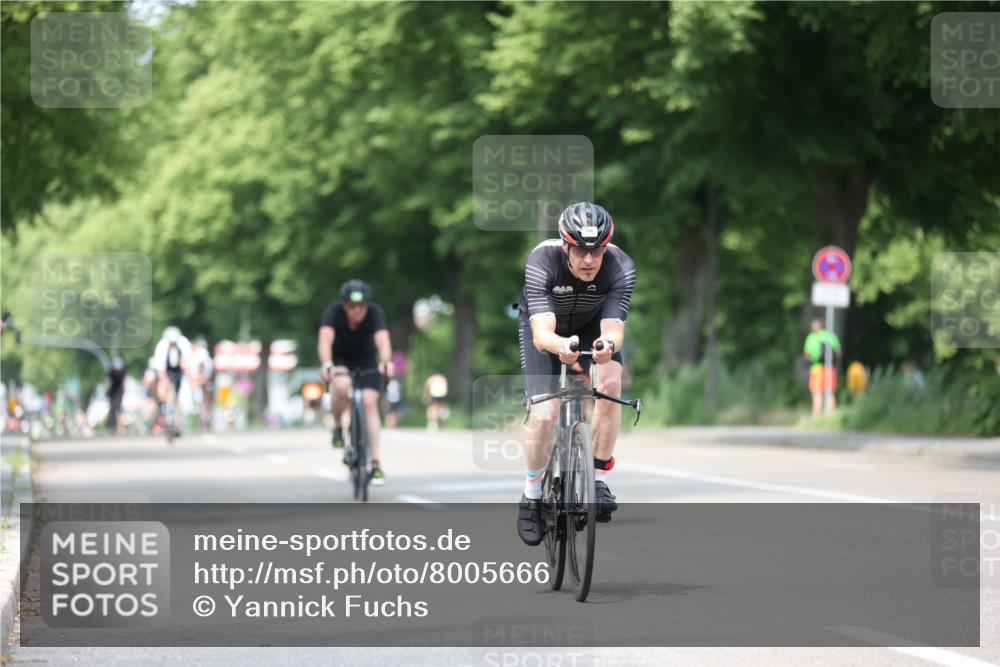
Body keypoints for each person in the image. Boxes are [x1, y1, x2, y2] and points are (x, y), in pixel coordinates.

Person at [515, 202, 637, 546]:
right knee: (544, 414)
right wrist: (561, 347)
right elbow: (543, 335)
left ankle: (597, 478)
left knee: (610, 382)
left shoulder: (621, 266)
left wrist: (606, 346)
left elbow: (614, 330)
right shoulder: (542, 261)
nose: (588, 260)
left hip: (590, 328)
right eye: (581, 251)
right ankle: (532, 493)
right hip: (546, 330)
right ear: (565, 245)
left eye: (596, 251)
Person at [317, 279, 393, 485]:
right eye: (352, 306)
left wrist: (386, 361)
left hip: (366, 360)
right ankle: (337, 426)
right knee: (341, 387)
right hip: (340, 359)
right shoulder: (333, 312)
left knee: (369, 402)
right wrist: (327, 363)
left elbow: (382, 339)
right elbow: (325, 340)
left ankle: (376, 463)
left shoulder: (375, 313)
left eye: (361, 306)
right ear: (344, 305)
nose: (357, 310)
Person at [153, 326, 193, 436]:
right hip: (166, 370)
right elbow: (160, 368)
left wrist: (187, 375)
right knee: (163, 392)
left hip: (179, 371)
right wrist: (164, 381)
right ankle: (162, 416)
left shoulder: (184, 343)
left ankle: (177, 423)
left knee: (179, 395)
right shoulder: (161, 347)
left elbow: (187, 363)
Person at [803, 318, 841, 416]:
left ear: (813, 328)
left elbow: (807, 355)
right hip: (830, 368)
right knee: (829, 392)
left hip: (817, 368)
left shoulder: (811, 337)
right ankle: (832, 416)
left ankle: (816, 416)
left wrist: (807, 362)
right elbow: (838, 353)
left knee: (817, 393)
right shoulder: (831, 336)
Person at [191, 338, 215, 430]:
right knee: (203, 399)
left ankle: (205, 417)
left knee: (204, 399)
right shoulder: (201, 357)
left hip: (203, 380)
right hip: (200, 380)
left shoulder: (201, 357)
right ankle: (204, 416)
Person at [106, 357, 126, 433]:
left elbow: (123, 385)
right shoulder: (110, 373)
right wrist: (108, 392)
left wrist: (122, 394)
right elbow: (108, 383)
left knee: (118, 409)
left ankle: (120, 426)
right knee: (112, 408)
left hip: (118, 391)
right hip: (112, 391)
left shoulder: (122, 373)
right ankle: (111, 424)